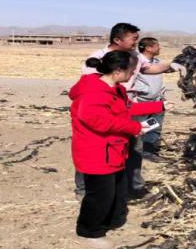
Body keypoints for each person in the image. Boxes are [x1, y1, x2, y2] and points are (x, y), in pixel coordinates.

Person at [75, 23, 186, 200]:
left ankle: (133, 187)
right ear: (117, 40)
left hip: (128, 105)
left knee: (134, 148)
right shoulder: (97, 60)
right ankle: (85, 189)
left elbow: (148, 68)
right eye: (133, 39)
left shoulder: (135, 56)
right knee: (95, 150)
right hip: (107, 109)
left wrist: (170, 67)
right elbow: (91, 95)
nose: (137, 42)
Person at [69, 51, 169, 245]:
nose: (133, 75)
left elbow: (128, 108)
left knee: (117, 189)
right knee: (100, 195)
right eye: (131, 71)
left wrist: (159, 106)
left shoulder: (115, 90)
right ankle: (89, 231)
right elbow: (97, 120)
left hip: (114, 150)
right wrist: (134, 127)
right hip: (97, 152)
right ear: (117, 71)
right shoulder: (94, 93)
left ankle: (114, 221)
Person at [132, 37, 166, 162]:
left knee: (154, 127)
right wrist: (145, 91)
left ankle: (148, 151)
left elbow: (159, 81)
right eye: (157, 45)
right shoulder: (135, 62)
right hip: (141, 101)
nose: (160, 48)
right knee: (138, 128)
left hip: (157, 100)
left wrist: (161, 94)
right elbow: (131, 81)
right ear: (148, 48)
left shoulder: (158, 63)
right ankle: (135, 152)